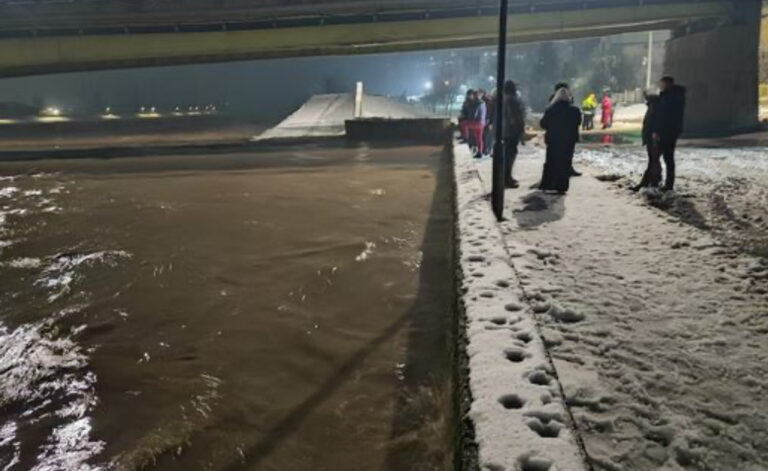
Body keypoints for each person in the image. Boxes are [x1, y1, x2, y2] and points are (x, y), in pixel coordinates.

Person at [539, 87, 582, 194]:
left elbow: (543, 124)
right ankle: (561, 186)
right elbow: (578, 123)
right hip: (568, 141)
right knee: (565, 163)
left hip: (553, 140)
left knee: (551, 162)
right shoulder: (575, 111)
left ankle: (548, 184)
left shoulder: (551, 110)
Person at [651, 76, 686, 191]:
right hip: (669, 131)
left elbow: (663, 116)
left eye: (663, 84)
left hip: (667, 132)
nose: (661, 86)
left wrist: (657, 130)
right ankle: (662, 182)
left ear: (668, 84)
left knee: (664, 157)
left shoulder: (670, 97)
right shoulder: (673, 96)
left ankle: (662, 183)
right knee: (664, 157)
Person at [632, 92, 662, 191]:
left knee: (653, 161)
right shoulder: (654, 107)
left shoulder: (654, 108)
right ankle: (654, 181)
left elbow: (651, 124)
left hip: (653, 138)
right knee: (654, 160)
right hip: (651, 137)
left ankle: (649, 182)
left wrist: (653, 135)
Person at [502, 80, 526, 188]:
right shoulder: (511, 100)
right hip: (512, 131)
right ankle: (506, 178)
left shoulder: (505, 99)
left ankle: (507, 177)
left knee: (509, 154)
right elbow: (514, 117)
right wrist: (520, 130)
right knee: (510, 154)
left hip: (507, 130)